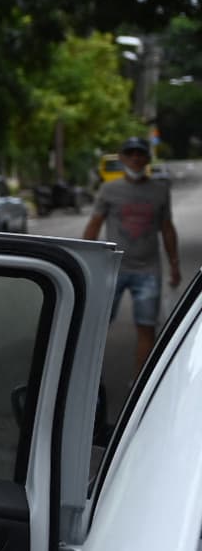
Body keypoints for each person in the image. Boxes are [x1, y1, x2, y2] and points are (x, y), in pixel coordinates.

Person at [83, 135, 182, 375]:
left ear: (148, 157)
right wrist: (84, 264)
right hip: (112, 268)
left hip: (148, 270)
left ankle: (138, 386)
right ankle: (85, 380)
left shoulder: (160, 190)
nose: (136, 158)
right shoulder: (109, 189)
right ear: (123, 158)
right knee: (94, 326)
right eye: (131, 154)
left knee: (147, 328)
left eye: (141, 153)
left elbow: (167, 228)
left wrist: (174, 264)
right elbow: (94, 225)